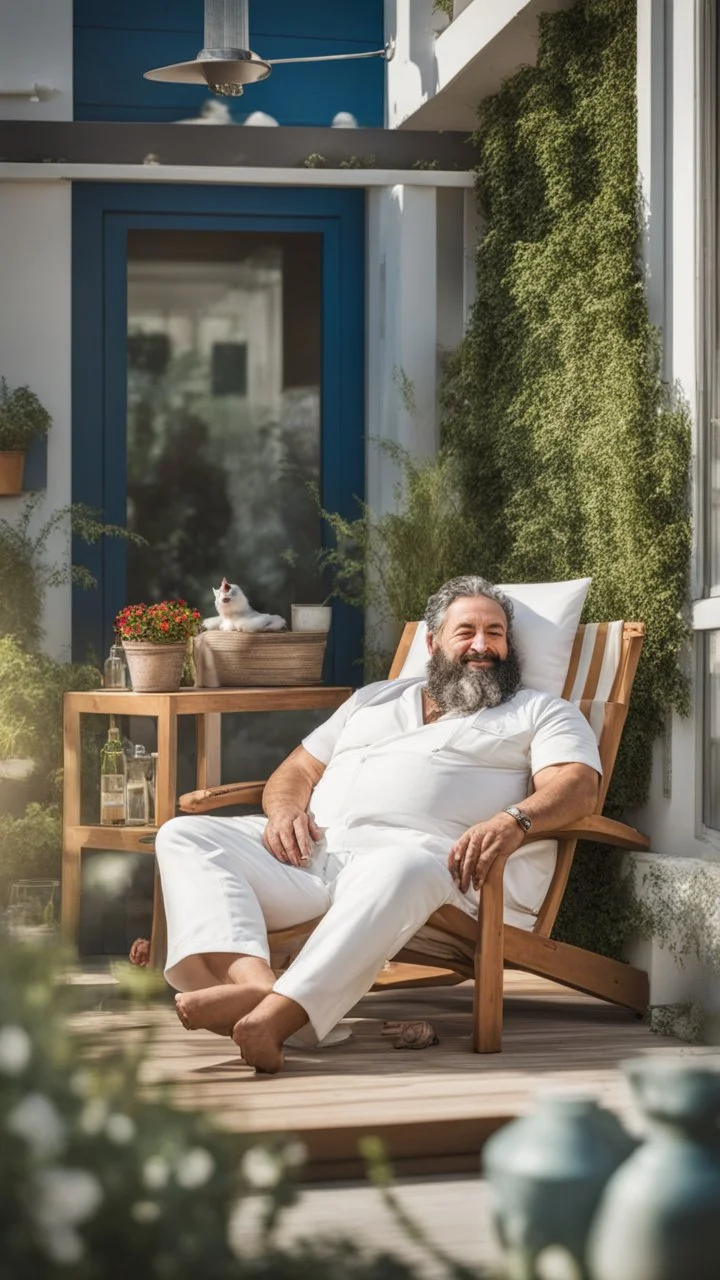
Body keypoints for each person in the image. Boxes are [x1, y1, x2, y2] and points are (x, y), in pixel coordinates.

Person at [134, 576, 601, 1074]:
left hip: (426, 872)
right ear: (432, 642)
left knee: (405, 865)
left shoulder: (539, 710)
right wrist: (286, 810)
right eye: (466, 632)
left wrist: (515, 819)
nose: (483, 646)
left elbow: (577, 785)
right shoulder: (375, 698)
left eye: (496, 633)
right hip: (313, 857)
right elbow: (297, 769)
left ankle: (274, 1019)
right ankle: (255, 984)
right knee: (185, 833)